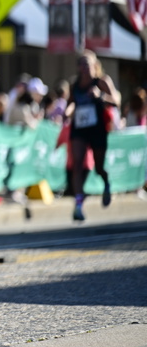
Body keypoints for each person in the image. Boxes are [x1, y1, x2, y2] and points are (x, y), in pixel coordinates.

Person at [65, 51, 120, 221]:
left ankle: (106, 183)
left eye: (87, 64)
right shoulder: (74, 85)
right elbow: (71, 103)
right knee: (77, 164)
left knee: (98, 168)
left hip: (97, 129)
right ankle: (78, 204)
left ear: (94, 65)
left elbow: (117, 101)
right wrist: (67, 112)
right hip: (80, 128)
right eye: (81, 64)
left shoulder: (102, 82)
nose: (84, 67)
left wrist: (101, 96)